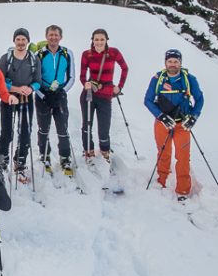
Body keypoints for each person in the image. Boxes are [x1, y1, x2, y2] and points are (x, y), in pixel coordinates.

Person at [143, 49, 205, 201]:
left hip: (182, 125)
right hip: (162, 123)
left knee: (183, 157)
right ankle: (161, 182)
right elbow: (148, 100)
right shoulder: (158, 79)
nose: (172, 64)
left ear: (180, 63)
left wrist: (193, 117)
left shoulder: (189, 79)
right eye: (170, 61)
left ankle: (183, 190)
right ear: (165, 63)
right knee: (163, 153)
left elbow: (200, 99)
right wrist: (161, 116)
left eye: (175, 61)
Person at [79, 29, 129, 162]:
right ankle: (88, 150)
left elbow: (125, 68)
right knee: (87, 124)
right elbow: (82, 75)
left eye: (102, 39)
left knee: (104, 126)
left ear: (106, 40)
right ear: (92, 40)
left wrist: (119, 86)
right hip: (89, 94)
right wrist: (85, 83)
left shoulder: (113, 52)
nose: (99, 42)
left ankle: (105, 150)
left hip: (106, 95)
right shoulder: (87, 54)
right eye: (96, 39)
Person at [0, 29, 39, 181]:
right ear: (14, 41)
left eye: (23, 40)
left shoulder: (33, 59)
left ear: (27, 41)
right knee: (7, 132)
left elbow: (37, 81)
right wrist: (15, 89)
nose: (21, 43)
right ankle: (1, 162)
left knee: (25, 132)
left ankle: (20, 162)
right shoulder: (6, 58)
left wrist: (31, 88)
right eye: (18, 39)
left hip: (26, 99)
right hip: (9, 98)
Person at [34, 25, 75, 173]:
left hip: (60, 95)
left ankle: (65, 157)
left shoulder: (67, 53)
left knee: (62, 127)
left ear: (60, 37)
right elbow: (35, 79)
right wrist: (42, 95)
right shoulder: (39, 54)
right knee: (43, 129)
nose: (53, 37)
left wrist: (62, 91)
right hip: (43, 96)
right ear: (46, 36)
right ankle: (45, 156)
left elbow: (72, 76)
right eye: (51, 35)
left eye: (56, 35)